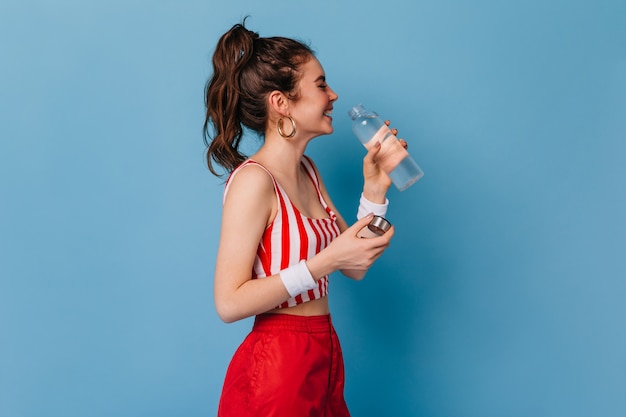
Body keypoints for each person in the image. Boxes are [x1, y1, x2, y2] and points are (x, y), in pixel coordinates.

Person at [203, 21, 402, 417]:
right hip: (279, 362)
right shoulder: (253, 182)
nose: (333, 95)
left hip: (324, 351)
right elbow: (228, 303)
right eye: (321, 84)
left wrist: (375, 190)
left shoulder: (308, 170)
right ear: (281, 103)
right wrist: (323, 262)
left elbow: (355, 266)